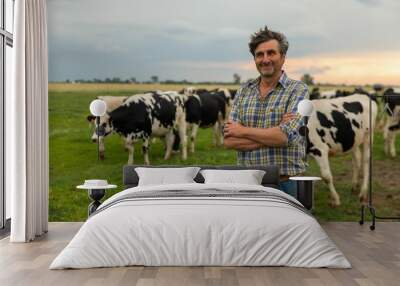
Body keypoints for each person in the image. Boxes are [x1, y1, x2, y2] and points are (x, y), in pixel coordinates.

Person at [223, 26, 309, 198]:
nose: (265, 59)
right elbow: (230, 141)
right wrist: (275, 134)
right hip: (247, 183)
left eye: (271, 53)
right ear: (254, 59)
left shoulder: (298, 90)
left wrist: (242, 131)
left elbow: (284, 137)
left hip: (286, 183)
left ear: (283, 57)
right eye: (259, 54)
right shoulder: (244, 91)